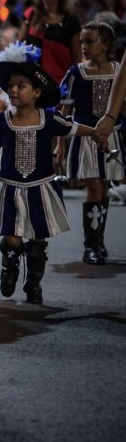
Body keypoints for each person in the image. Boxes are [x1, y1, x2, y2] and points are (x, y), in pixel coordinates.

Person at [0, 42, 97, 305]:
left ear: (37, 92)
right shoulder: (1, 121)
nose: (14, 90)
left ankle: (34, 283)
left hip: (42, 188)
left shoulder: (48, 118)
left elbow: (72, 127)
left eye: (21, 86)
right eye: (11, 86)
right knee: (12, 237)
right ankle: (10, 267)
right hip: (12, 189)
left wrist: (97, 132)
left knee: (38, 239)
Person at [59, 21, 123, 264]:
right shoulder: (76, 73)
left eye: (90, 41)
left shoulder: (118, 71)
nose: (84, 46)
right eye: (82, 41)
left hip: (112, 135)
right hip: (84, 138)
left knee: (104, 187)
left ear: (106, 44)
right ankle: (90, 246)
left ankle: (99, 239)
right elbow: (65, 111)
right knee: (94, 187)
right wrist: (59, 145)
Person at [19, 0, 82, 86]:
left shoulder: (71, 20)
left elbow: (78, 56)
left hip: (61, 84)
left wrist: (76, 83)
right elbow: (18, 47)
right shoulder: (31, 14)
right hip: (32, 83)